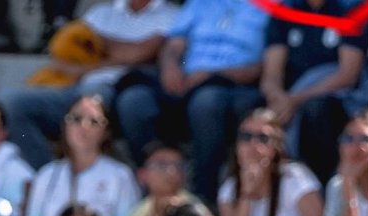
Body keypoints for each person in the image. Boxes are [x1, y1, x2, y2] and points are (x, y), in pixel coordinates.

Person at [113, 0, 267, 202]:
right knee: (133, 101)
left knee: (205, 103)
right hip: (186, 79)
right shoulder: (200, 3)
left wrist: (212, 74)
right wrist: (171, 68)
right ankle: (154, 187)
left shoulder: (273, 6)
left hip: (233, 84)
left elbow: (265, 64)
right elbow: (174, 46)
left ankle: (204, 196)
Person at [0, 0, 177, 169]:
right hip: (74, 86)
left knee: (89, 103)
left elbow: (138, 54)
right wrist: (119, 53)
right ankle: (47, 176)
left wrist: (98, 47)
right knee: (10, 102)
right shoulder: (100, 12)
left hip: (123, 90)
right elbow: (62, 53)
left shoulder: (172, 15)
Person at [259, 0, 368, 183]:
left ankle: (323, 188)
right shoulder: (283, 11)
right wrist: (277, 98)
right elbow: (270, 76)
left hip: (336, 101)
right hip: (287, 101)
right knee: (255, 119)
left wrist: (294, 100)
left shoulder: (351, 10)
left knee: (316, 110)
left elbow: (347, 74)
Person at [217, 108, 324, 216]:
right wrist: (246, 194)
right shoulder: (229, 189)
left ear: (275, 148)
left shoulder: (295, 178)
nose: (253, 145)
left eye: (263, 138)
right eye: (245, 137)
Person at [23, 95, 139, 216]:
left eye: (94, 121)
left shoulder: (120, 176)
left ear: (106, 132)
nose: (84, 126)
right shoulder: (46, 174)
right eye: (76, 119)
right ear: (65, 125)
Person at [123, 142, 198, 216]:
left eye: (177, 165)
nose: (171, 172)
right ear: (142, 174)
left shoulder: (196, 209)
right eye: (161, 165)